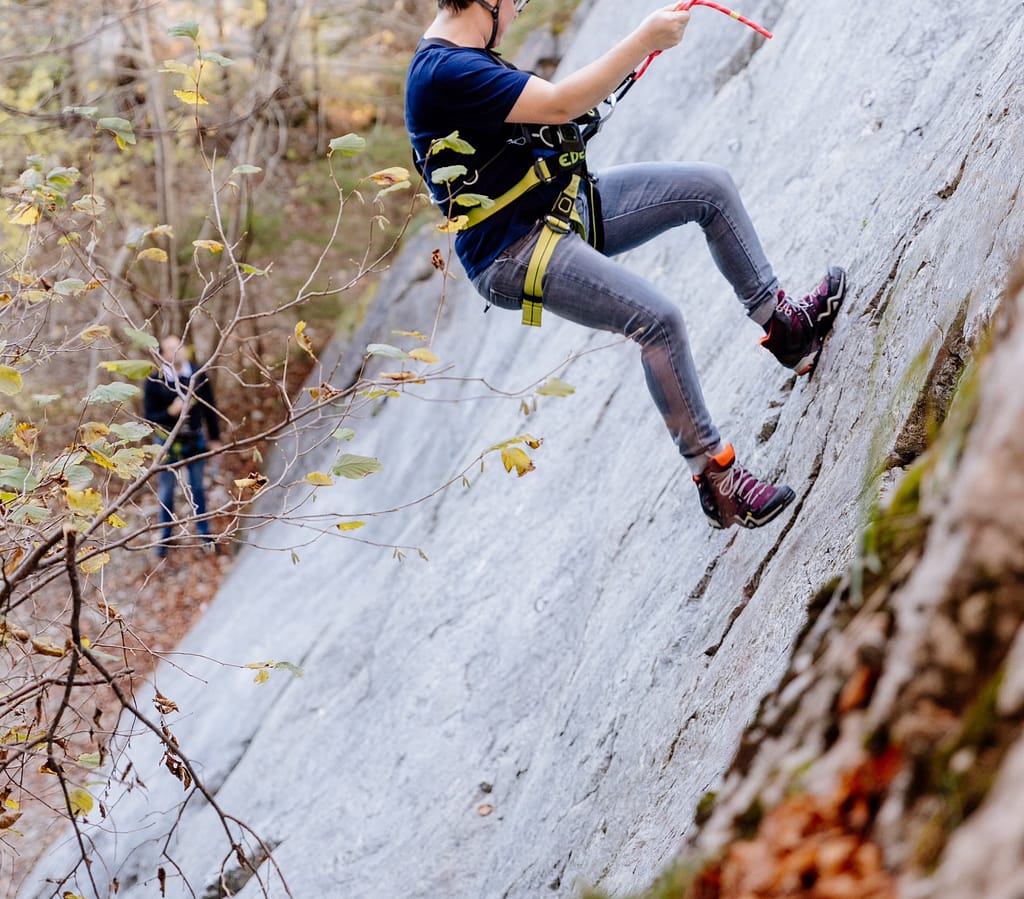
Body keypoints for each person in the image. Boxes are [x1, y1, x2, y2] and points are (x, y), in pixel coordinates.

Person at [405, 0, 846, 529]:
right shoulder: (446, 73)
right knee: (658, 321)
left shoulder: (464, 56)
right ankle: (716, 478)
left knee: (710, 189)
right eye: (516, 0)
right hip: (513, 251)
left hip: (559, 208)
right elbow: (560, 102)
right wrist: (644, 39)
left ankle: (785, 328)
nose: (520, 11)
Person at [143, 336, 222, 555]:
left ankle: (205, 536)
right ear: (163, 355)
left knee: (197, 488)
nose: (177, 351)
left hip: (195, 440)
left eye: (180, 346)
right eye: (171, 349)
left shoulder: (198, 376)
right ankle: (165, 540)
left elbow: (210, 409)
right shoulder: (155, 381)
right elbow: (149, 417)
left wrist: (215, 439)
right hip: (167, 443)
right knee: (167, 491)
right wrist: (171, 412)